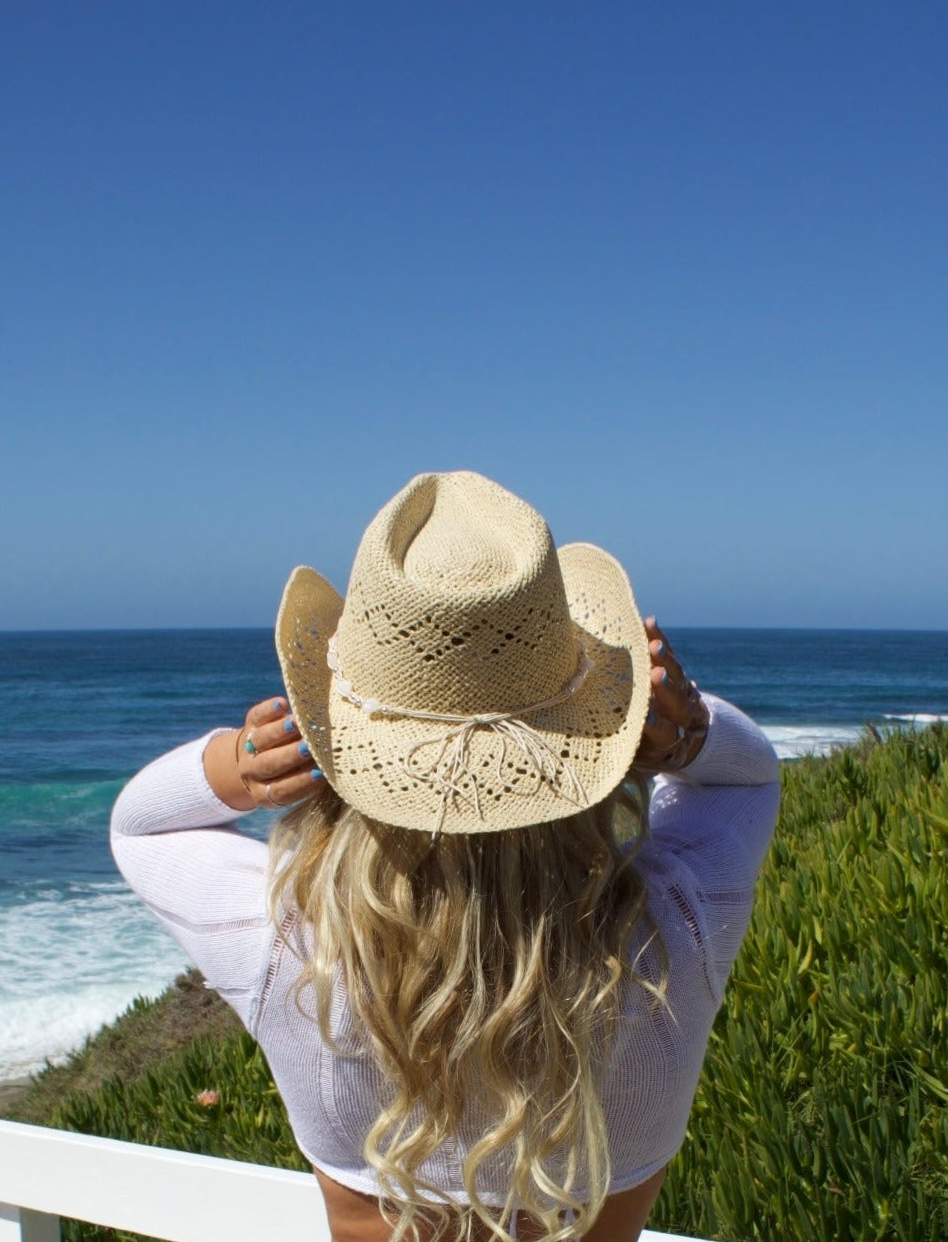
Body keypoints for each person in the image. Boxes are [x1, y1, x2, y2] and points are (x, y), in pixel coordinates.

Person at [111, 472, 780, 1242]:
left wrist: (243, 762)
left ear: (348, 750)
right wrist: (687, 730)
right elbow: (749, 777)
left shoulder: (297, 960)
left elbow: (139, 828)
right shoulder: (673, 946)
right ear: (593, 744)